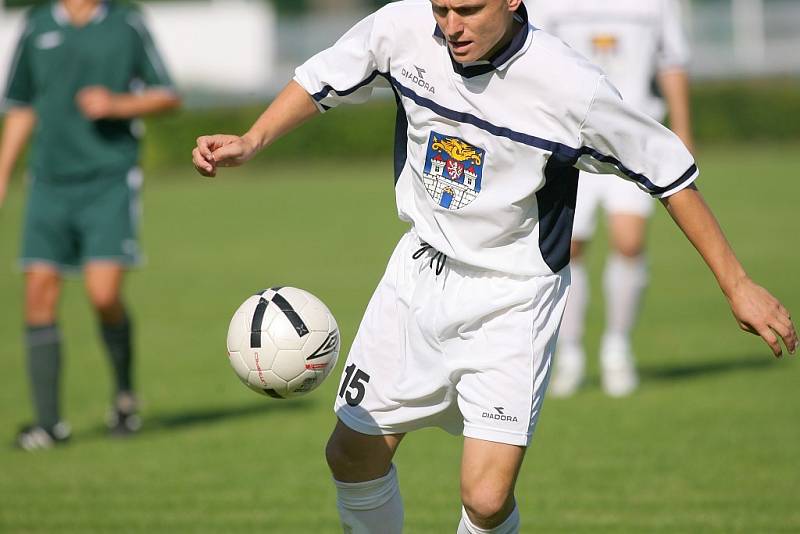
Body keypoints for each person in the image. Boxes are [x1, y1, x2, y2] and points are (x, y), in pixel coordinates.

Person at [192, 1, 797, 532]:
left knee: (484, 498)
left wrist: (737, 283)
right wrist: (253, 138)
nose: (450, 27)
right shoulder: (402, 28)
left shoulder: (570, 88)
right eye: (441, 9)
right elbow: (321, 78)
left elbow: (671, 173)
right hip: (418, 276)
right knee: (351, 457)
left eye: (468, 11)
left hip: (515, 296)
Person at [0, 0, 180, 450]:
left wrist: (117, 104)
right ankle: (48, 425)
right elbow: (22, 105)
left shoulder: (126, 22)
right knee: (39, 292)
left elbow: (167, 95)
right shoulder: (37, 22)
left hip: (109, 180)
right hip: (48, 182)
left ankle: (123, 396)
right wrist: (2, 173)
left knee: (103, 295)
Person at [529, 0, 695, 397]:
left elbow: (671, 63)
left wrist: (683, 131)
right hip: (570, 141)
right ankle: (568, 354)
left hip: (633, 136)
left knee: (629, 241)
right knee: (569, 248)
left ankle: (616, 349)